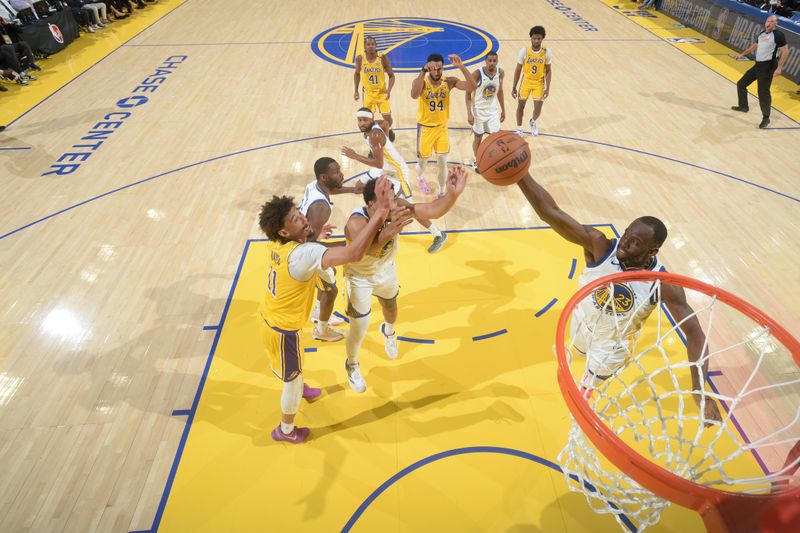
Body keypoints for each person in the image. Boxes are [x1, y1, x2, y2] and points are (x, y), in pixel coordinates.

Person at [516, 172, 723, 423]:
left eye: (635, 242)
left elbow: (694, 333)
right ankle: (578, 363)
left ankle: (586, 393)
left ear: (653, 251)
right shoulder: (599, 246)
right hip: (581, 323)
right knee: (575, 352)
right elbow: (550, 211)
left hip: (611, 345)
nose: (624, 243)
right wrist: (519, 174)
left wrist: (700, 391)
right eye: (626, 234)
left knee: (587, 385)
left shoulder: (664, 284)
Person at [258, 176, 405, 444]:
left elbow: (314, 249)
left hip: (270, 318)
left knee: (291, 370)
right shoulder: (305, 255)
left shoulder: (278, 244)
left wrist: (312, 238)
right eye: (295, 219)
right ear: (283, 232)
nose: (304, 218)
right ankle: (285, 430)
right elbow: (353, 254)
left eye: (299, 213)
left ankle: (299, 386)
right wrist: (382, 212)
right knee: (291, 380)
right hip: (283, 331)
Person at [342, 166, 468, 393]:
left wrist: (452, 195)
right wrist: (388, 232)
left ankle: (388, 331)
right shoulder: (355, 222)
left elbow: (432, 210)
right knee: (358, 328)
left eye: (394, 197)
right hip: (359, 276)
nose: (395, 203)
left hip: (386, 269)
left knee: (391, 306)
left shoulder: (397, 207)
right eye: (388, 199)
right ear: (372, 204)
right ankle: (351, 363)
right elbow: (364, 252)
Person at [341, 108, 448, 253]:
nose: (362, 123)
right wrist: (385, 140)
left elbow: (378, 163)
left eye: (365, 120)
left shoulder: (375, 135)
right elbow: (385, 122)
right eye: (360, 120)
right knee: (360, 187)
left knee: (408, 208)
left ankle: (438, 234)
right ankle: (384, 229)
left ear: (371, 119)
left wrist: (355, 156)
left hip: (397, 173)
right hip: (385, 169)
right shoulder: (374, 126)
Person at [297, 156, 358, 341]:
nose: (341, 174)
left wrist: (353, 189)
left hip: (304, 236)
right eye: (337, 173)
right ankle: (322, 331)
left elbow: (331, 189)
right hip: (301, 248)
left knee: (325, 280)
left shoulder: (313, 185)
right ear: (324, 177)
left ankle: (318, 311)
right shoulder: (322, 207)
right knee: (330, 289)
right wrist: (343, 247)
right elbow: (310, 245)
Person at [410, 53, 476, 197]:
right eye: (433, 69)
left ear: (443, 68)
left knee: (442, 161)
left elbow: (472, 85)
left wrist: (462, 67)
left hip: (441, 128)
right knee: (423, 162)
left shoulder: (449, 81)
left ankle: (441, 191)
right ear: (428, 68)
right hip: (425, 129)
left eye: (439, 69)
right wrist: (422, 71)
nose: (436, 72)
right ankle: (420, 177)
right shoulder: (421, 82)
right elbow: (414, 95)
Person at [731, 15, 788, 129]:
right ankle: (743, 106)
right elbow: (754, 47)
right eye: (769, 20)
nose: (770, 22)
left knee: (763, 92)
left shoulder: (778, 35)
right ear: (765, 22)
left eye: (773, 21)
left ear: (775, 24)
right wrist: (741, 55)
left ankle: (766, 118)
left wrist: (779, 68)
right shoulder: (762, 34)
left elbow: (785, 51)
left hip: (768, 67)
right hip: (758, 65)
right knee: (741, 84)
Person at [465, 51, 505, 171]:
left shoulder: (500, 72)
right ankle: (477, 161)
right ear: (485, 61)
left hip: (492, 111)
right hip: (478, 111)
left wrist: (503, 110)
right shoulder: (477, 74)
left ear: (497, 61)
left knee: (496, 138)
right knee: (478, 138)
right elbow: (467, 93)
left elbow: (500, 91)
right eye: (489, 61)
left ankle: (494, 159)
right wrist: (469, 113)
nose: (492, 63)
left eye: (494, 61)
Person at [511, 26, 551, 137]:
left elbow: (548, 70)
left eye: (539, 38)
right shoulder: (524, 51)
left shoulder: (546, 52)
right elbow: (518, 69)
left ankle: (533, 121)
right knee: (520, 106)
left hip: (539, 83)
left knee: (538, 109)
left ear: (542, 38)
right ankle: (519, 128)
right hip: (526, 81)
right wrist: (514, 86)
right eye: (534, 38)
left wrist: (548, 88)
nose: (536, 41)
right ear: (531, 38)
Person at [353, 36, 395, 132]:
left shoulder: (382, 58)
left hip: (381, 92)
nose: (370, 46)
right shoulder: (360, 58)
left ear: (376, 46)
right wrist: (356, 90)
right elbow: (356, 74)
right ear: (364, 46)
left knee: (388, 120)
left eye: (373, 44)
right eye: (368, 44)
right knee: (366, 119)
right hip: (368, 93)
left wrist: (389, 90)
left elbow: (391, 76)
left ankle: (388, 129)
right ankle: (371, 136)